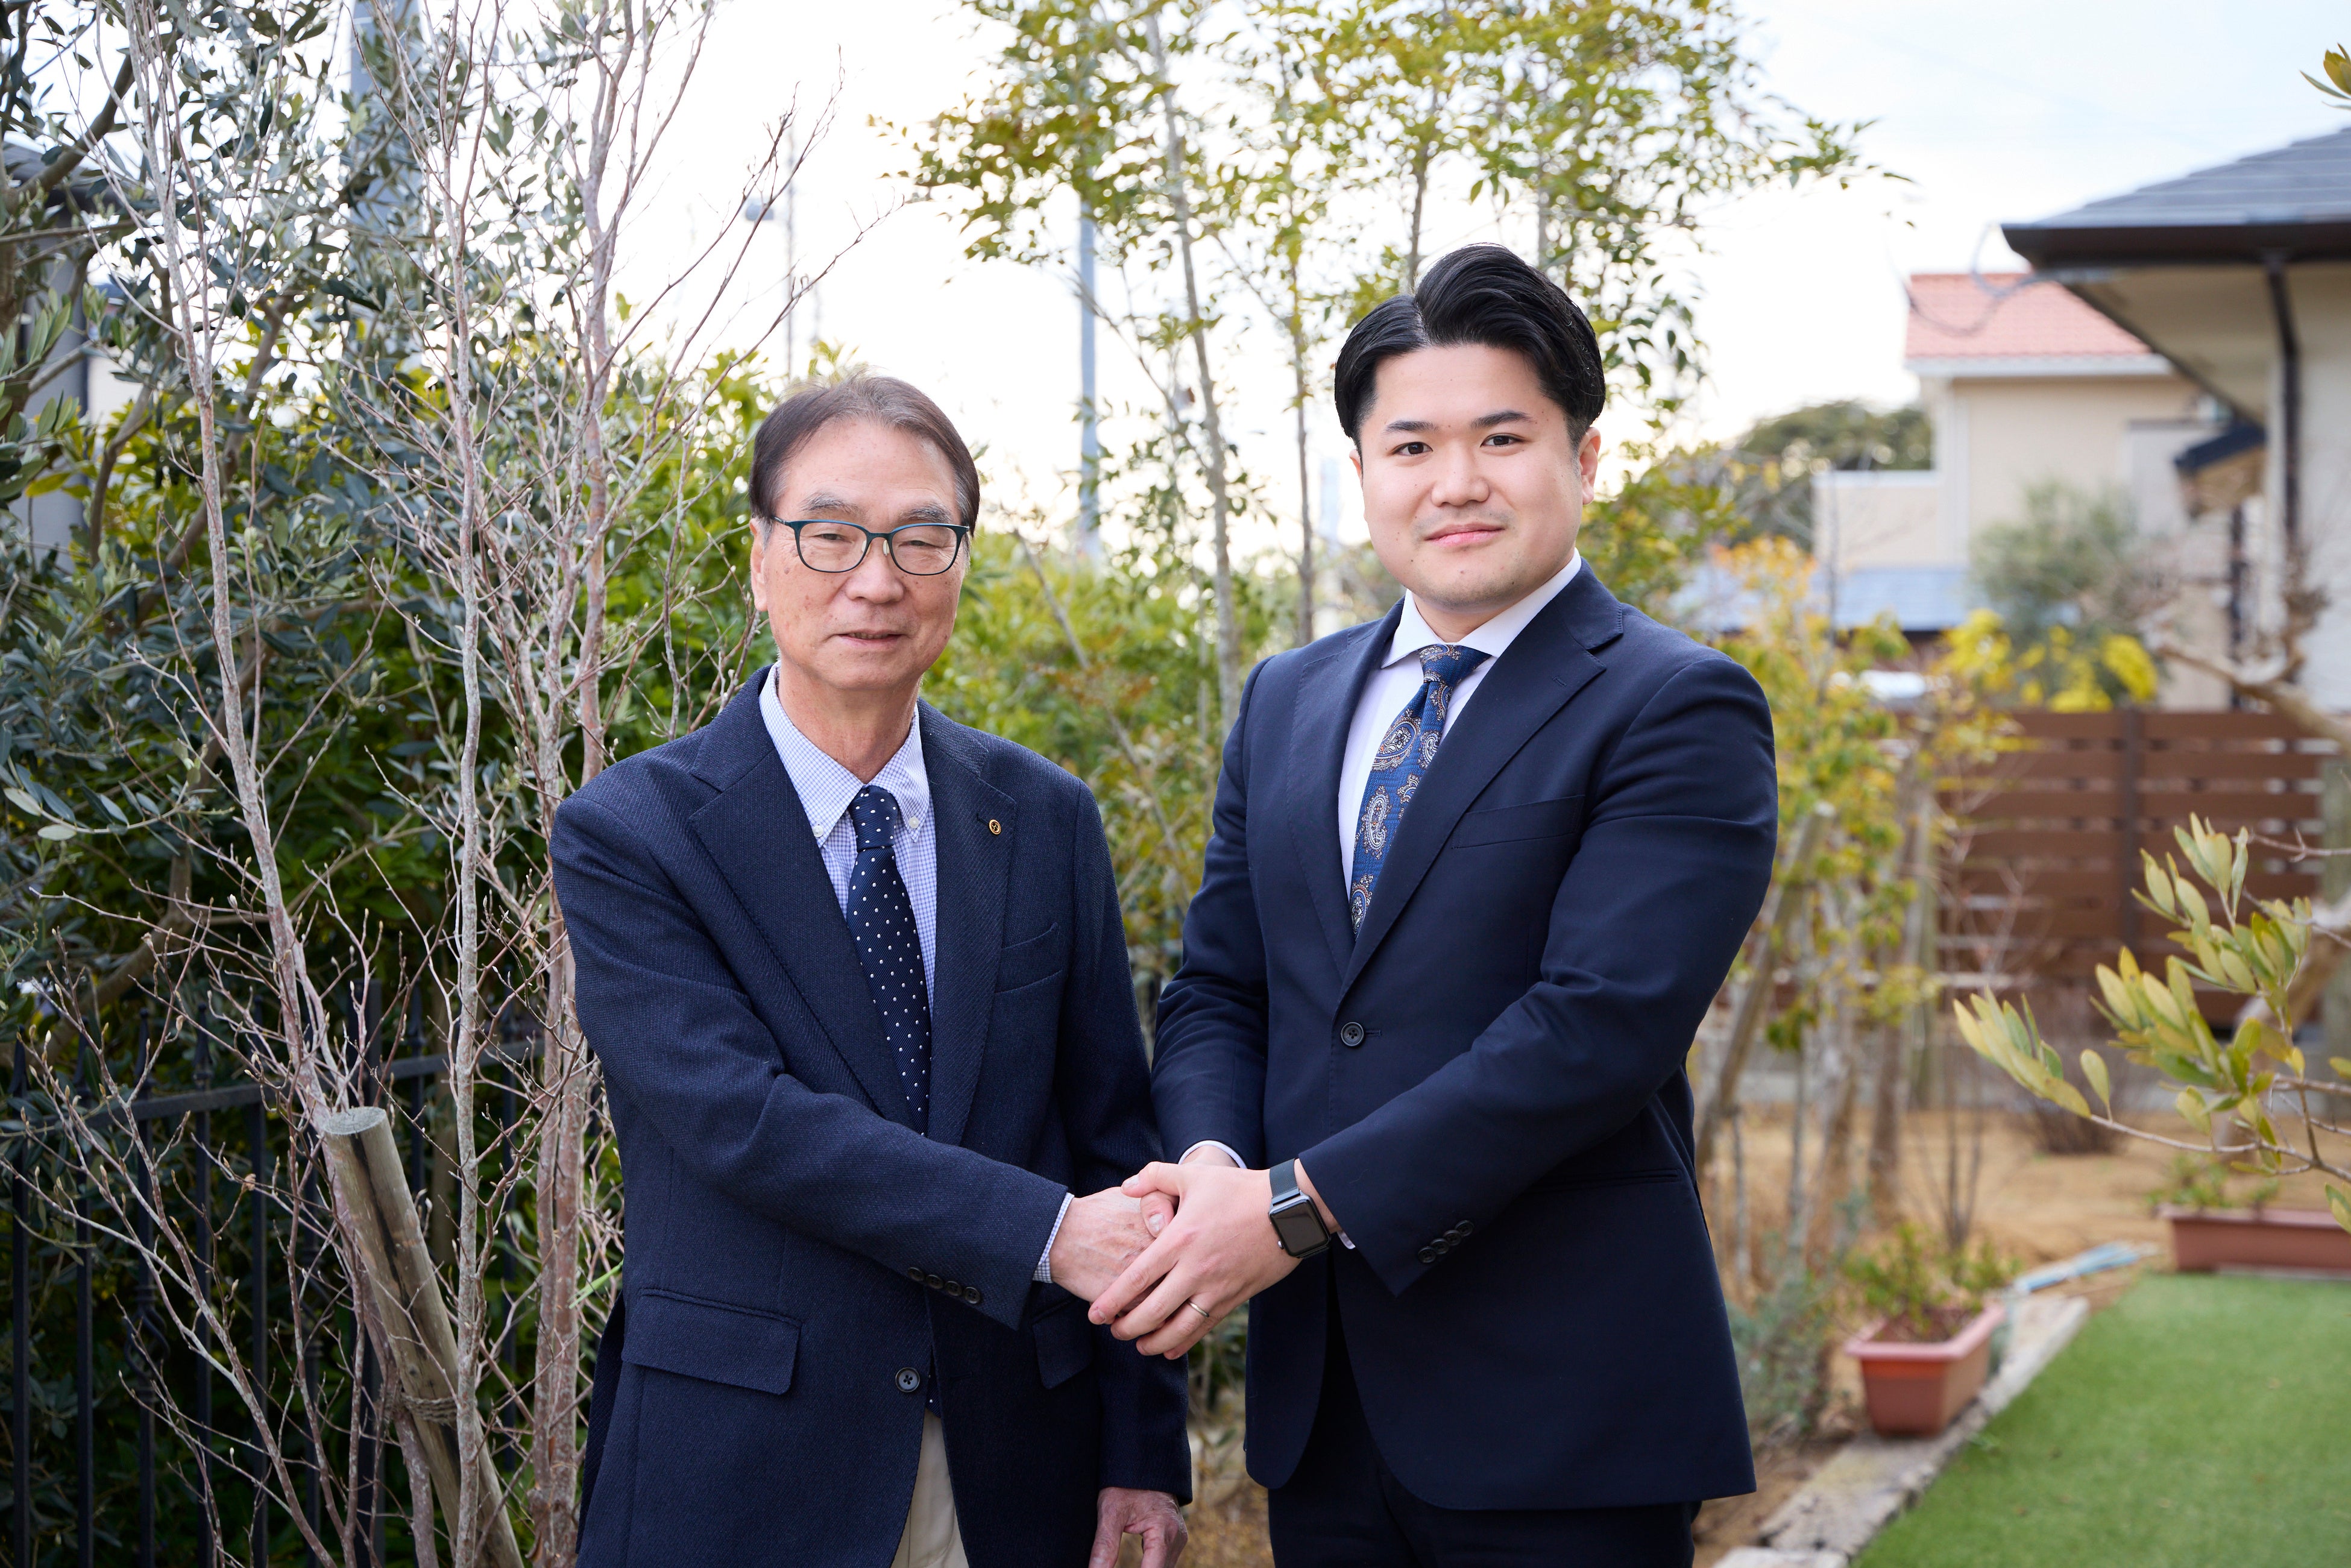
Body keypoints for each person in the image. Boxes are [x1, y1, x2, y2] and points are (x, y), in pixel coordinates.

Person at [1089, 245, 1776, 1567]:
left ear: (1583, 457)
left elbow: (1595, 1029)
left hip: (1563, 1415)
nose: (1457, 481)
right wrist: (1218, 1165)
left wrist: (1290, 1210)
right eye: (1412, 446)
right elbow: (1222, 986)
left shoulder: (1674, 702)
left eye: (1502, 437)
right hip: (1324, 1408)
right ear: (1364, 473)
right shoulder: (1289, 698)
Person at [552, 375, 1190, 1568]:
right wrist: (1046, 1231)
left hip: (1017, 1467)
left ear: (961, 562)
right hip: (746, 1467)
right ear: (759, 557)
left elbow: (1113, 1133)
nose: (877, 578)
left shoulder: (1043, 817)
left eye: (920, 537)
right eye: (832, 532)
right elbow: (745, 1121)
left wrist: (1144, 1450)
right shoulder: (634, 833)